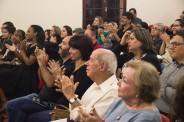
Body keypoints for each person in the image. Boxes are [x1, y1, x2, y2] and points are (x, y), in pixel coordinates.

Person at [6, 36, 75, 122]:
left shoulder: (70, 65)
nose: (60, 45)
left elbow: (50, 83)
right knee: (9, 105)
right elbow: (43, 78)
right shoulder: (60, 61)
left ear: (71, 48)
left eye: (64, 43)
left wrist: (42, 65)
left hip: (49, 102)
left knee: (17, 106)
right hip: (40, 96)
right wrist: (41, 63)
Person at [79, 60, 162, 122]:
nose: (118, 82)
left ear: (140, 88)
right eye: (121, 77)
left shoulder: (147, 118)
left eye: (124, 80)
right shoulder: (121, 101)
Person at [55, 48, 118, 121]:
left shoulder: (113, 92)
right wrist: (68, 92)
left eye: (91, 60)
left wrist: (71, 96)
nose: (86, 63)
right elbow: (82, 107)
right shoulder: (97, 82)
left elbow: (85, 119)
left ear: (102, 66)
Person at [0, 25, 45, 100]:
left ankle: (5, 102)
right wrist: (15, 51)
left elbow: (29, 62)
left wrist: (22, 50)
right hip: (22, 70)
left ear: (35, 33)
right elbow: (22, 59)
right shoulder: (30, 45)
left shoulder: (38, 47)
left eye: (29, 31)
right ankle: (4, 101)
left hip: (28, 75)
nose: (26, 33)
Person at [155, 29, 184, 116]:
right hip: (154, 109)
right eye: (171, 43)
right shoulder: (170, 66)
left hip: (171, 115)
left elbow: (178, 98)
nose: (171, 47)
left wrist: (161, 88)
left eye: (175, 44)